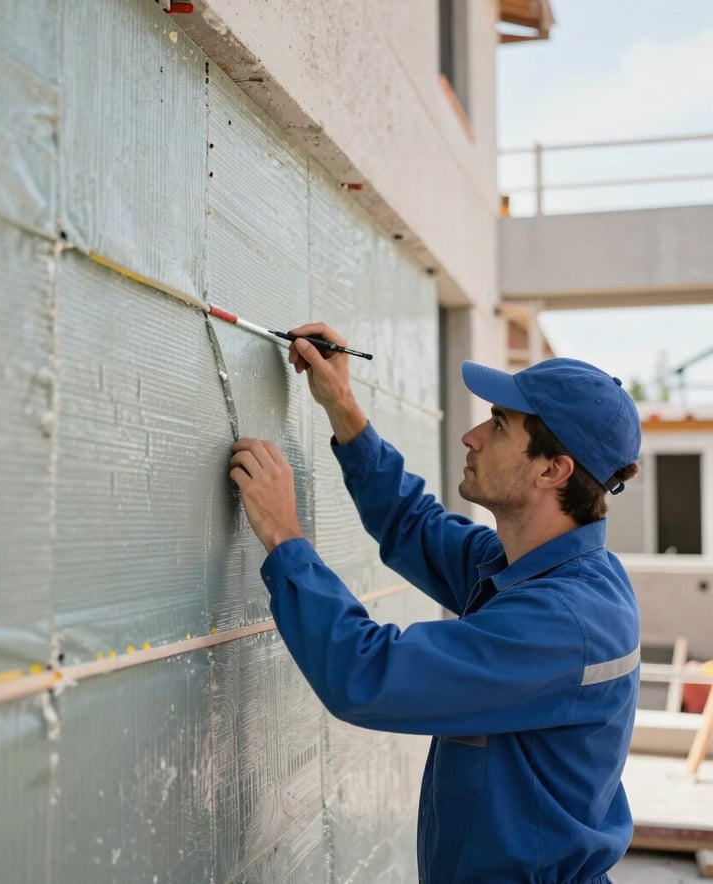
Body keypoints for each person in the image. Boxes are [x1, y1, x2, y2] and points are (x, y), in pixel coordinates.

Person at [229, 322, 642, 884]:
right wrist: (342, 407)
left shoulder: (564, 622)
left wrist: (284, 536)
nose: (472, 436)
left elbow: (367, 674)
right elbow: (413, 525)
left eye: (498, 425)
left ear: (553, 470)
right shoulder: (535, 571)